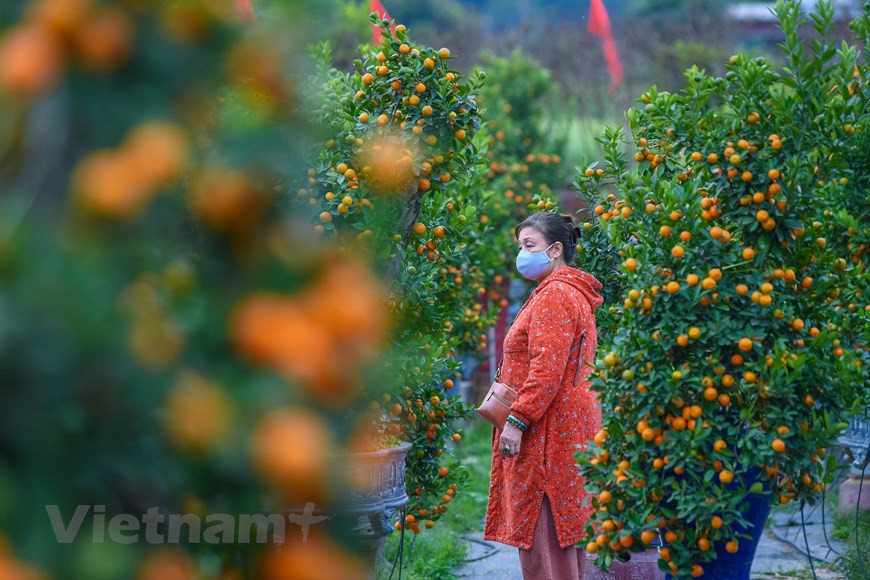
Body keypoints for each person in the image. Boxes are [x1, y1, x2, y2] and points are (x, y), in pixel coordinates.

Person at [483, 212, 604, 579]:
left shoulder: (554, 296)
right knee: (563, 533)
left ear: (554, 250)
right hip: (564, 426)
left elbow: (546, 370)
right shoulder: (566, 291)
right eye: (520, 245)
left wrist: (517, 421)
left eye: (529, 245)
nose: (521, 253)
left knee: (546, 536)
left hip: (549, 434)